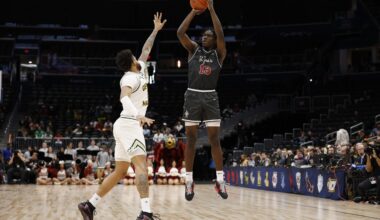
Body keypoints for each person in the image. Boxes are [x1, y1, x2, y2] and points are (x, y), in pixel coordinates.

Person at [78, 12, 166, 220]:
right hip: (129, 124)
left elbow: (146, 49)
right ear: (132, 61)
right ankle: (146, 213)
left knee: (120, 171)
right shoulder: (129, 78)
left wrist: (155, 30)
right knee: (141, 167)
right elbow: (123, 97)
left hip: (124, 126)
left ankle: (89, 205)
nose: (140, 56)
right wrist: (139, 116)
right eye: (136, 56)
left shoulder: (140, 69)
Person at [177, 0, 228, 201]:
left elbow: (221, 34)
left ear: (215, 40)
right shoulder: (193, 50)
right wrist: (192, 12)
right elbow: (180, 33)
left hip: (210, 96)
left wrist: (212, 9)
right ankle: (189, 181)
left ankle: (220, 180)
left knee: (215, 139)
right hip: (192, 95)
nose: (204, 37)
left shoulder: (219, 54)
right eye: (203, 35)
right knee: (191, 139)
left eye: (208, 36)